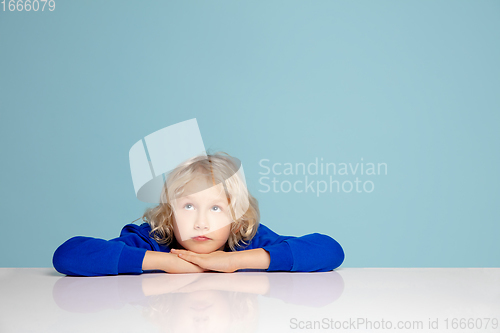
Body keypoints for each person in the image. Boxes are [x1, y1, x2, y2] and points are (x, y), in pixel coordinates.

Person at [53, 151, 345, 276]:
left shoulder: (244, 240)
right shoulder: (153, 239)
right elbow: (68, 255)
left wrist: (232, 261)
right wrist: (168, 263)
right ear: (170, 212)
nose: (201, 222)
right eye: (188, 207)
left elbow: (330, 250)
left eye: (216, 209)